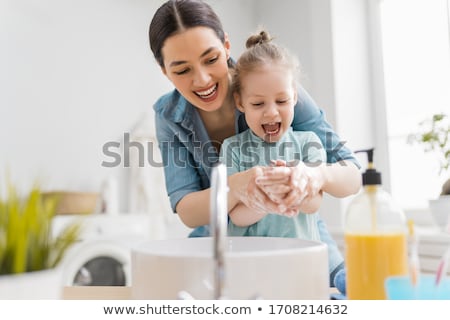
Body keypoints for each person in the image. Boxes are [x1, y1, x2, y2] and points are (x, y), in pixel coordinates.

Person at [149, 0, 361, 290]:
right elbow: (187, 208)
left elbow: (350, 173)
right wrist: (237, 187)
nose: (202, 79)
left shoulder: (272, 81)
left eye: (211, 59)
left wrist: (315, 176)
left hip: (297, 237)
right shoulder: (168, 116)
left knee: (339, 290)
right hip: (222, 243)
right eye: (182, 70)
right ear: (164, 71)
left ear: (226, 46)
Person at [221, 29, 324, 243]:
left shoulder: (308, 143)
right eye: (258, 104)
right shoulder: (232, 148)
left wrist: (291, 187)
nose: (271, 112)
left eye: (282, 101)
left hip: (299, 258)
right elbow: (237, 216)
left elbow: (314, 204)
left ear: (294, 96)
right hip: (249, 262)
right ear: (240, 103)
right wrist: (268, 197)